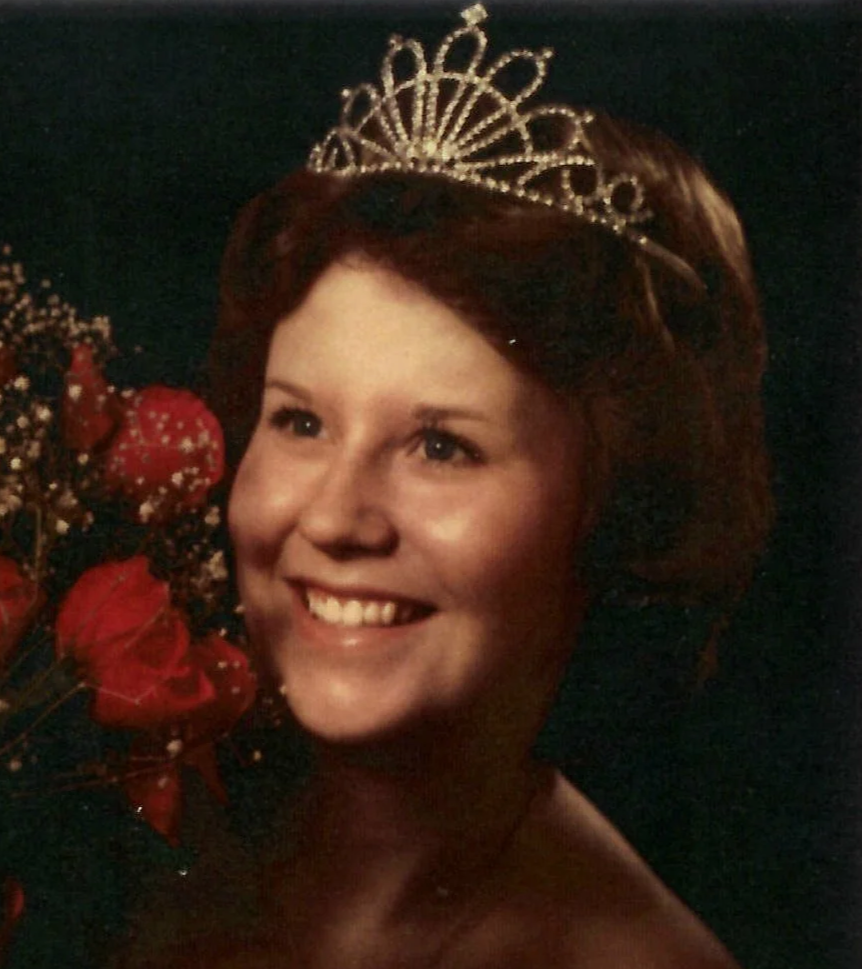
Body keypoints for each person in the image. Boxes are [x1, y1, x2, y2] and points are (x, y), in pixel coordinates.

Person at [120, 6, 771, 967]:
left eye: (440, 446)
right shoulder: (107, 816)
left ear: (610, 508)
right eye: (300, 422)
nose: (334, 517)